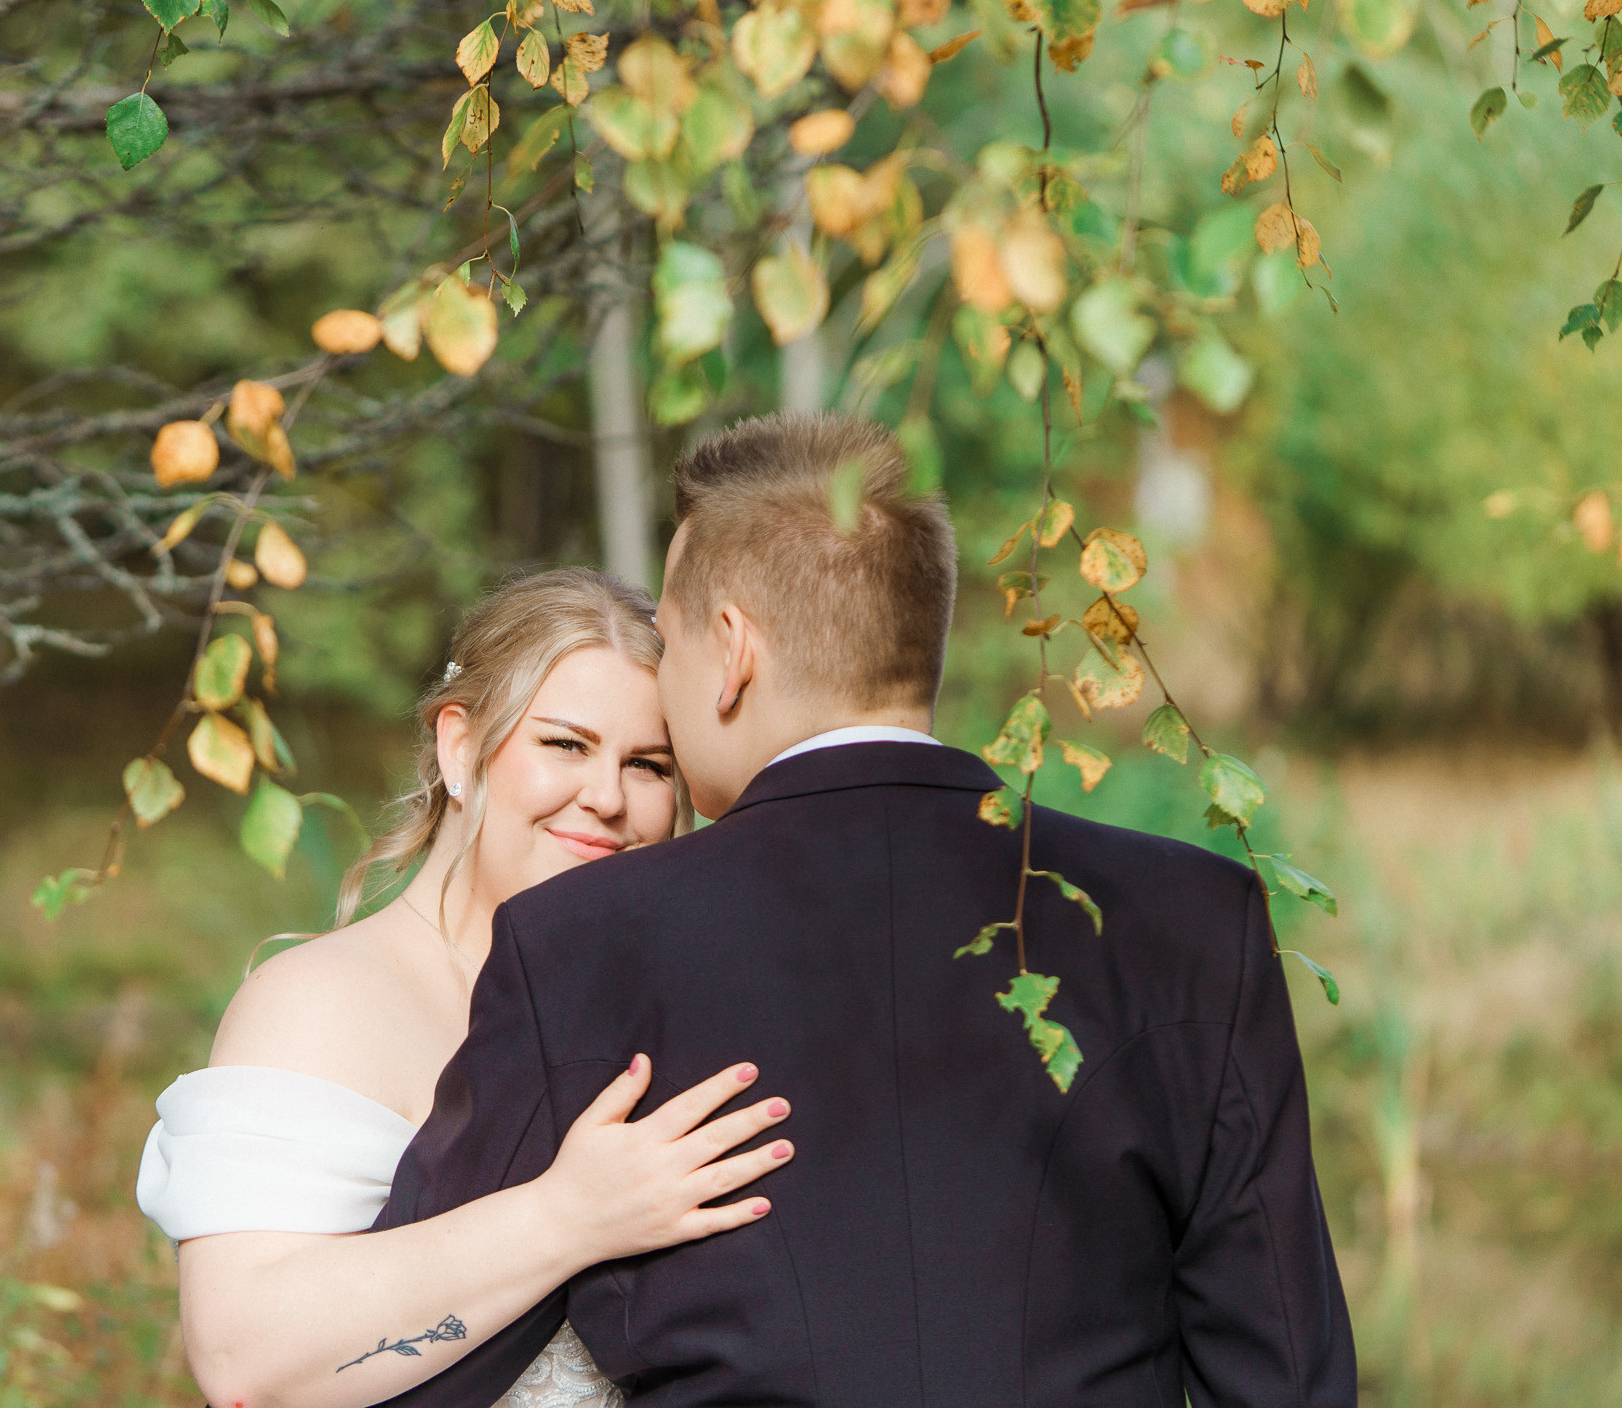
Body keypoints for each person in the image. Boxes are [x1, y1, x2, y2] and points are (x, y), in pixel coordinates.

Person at [379, 410, 1357, 1406]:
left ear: (732, 651)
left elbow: (411, 1364)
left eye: (667, 645)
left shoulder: (576, 942)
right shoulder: (1192, 921)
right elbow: (1283, 1376)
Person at [136, 568, 797, 1408]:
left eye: (648, 764)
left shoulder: (681, 1012)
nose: (606, 797)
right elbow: (245, 1362)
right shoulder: (322, 1001)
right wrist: (569, 1215)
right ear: (460, 746)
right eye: (565, 744)